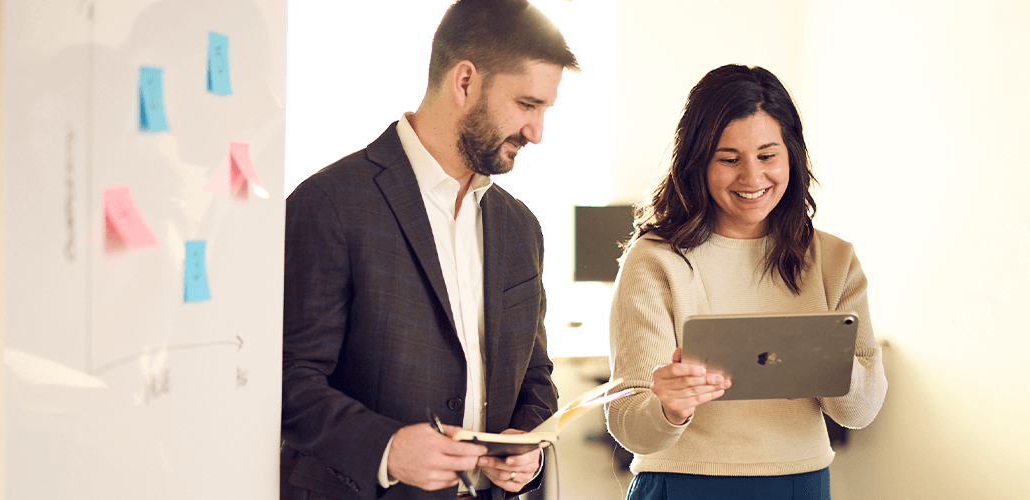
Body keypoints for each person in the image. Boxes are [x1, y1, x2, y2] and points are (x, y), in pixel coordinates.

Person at [280, 1, 579, 499]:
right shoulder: (330, 202)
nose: (537, 134)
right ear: (465, 82)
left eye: (545, 111)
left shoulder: (520, 226)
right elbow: (289, 380)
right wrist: (388, 448)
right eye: (527, 105)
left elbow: (536, 375)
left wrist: (528, 442)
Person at [605, 64, 887, 499]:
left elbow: (861, 413)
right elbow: (630, 428)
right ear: (697, 162)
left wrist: (823, 357)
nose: (752, 178)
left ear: (791, 154)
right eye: (729, 159)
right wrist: (669, 409)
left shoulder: (834, 260)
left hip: (799, 483)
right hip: (682, 484)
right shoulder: (655, 261)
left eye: (768, 156)